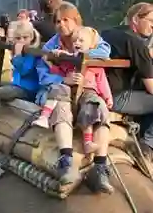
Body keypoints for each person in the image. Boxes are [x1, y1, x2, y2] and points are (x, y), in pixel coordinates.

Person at [100, 2, 153, 173]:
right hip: (117, 97)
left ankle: (141, 138)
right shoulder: (137, 43)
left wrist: (152, 69)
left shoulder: (108, 33)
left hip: (99, 90)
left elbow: (123, 63)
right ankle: (148, 148)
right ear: (135, 19)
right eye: (151, 21)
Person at [36, 26, 114, 191]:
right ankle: (66, 158)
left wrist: (108, 98)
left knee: (97, 107)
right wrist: (55, 64)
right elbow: (55, 69)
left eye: (81, 41)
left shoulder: (96, 61)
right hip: (67, 93)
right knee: (60, 108)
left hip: (88, 94)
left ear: (92, 45)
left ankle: (100, 166)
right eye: (75, 41)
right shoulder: (66, 58)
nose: (77, 43)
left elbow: (102, 81)